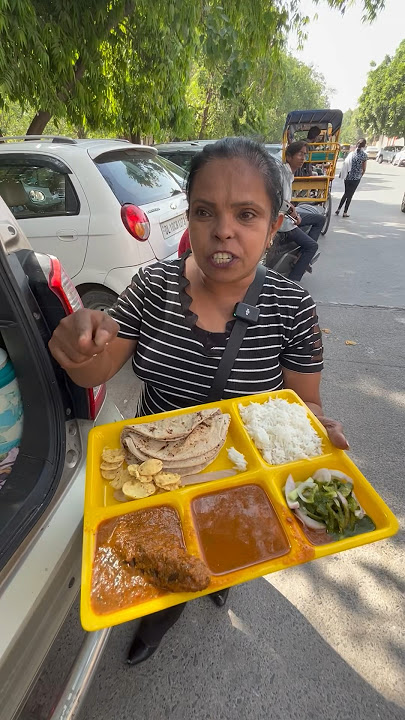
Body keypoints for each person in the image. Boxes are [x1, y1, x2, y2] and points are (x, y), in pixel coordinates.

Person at [48, 137, 348, 666]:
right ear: (189, 217)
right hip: (152, 468)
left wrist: (320, 433)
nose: (223, 229)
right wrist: (78, 343)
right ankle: (158, 621)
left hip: (239, 480)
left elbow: (306, 404)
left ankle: (221, 581)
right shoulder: (153, 284)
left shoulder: (293, 307)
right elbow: (97, 366)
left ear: (276, 225)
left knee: (226, 554)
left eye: (247, 214)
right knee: (166, 565)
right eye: (205, 212)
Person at [279, 141, 324, 282]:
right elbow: (280, 201)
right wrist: (295, 215)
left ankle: (301, 256)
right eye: (300, 154)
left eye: (305, 154)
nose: (303, 158)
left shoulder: (290, 174)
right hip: (283, 223)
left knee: (320, 219)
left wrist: (294, 213)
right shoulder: (281, 174)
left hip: (288, 216)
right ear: (289, 157)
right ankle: (293, 282)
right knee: (312, 246)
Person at [335, 138, 368, 217]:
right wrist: (359, 176)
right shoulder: (364, 156)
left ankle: (338, 209)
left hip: (347, 176)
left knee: (346, 193)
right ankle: (345, 212)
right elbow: (364, 169)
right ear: (364, 146)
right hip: (356, 178)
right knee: (350, 195)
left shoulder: (351, 154)